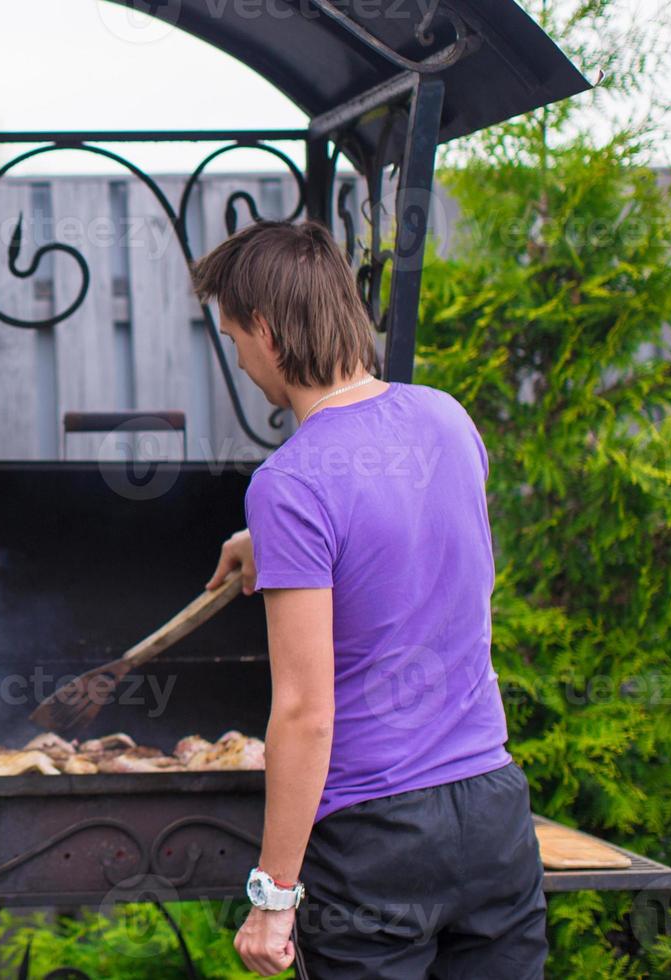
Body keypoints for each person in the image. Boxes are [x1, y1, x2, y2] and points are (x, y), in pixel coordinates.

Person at [195, 220, 546, 978]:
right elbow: (414, 542)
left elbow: (304, 713)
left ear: (265, 329)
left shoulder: (290, 485)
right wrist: (279, 545)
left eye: (233, 338)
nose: (242, 360)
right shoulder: (447, 419)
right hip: (493, 810)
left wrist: (273, 893)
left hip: (377, 839)